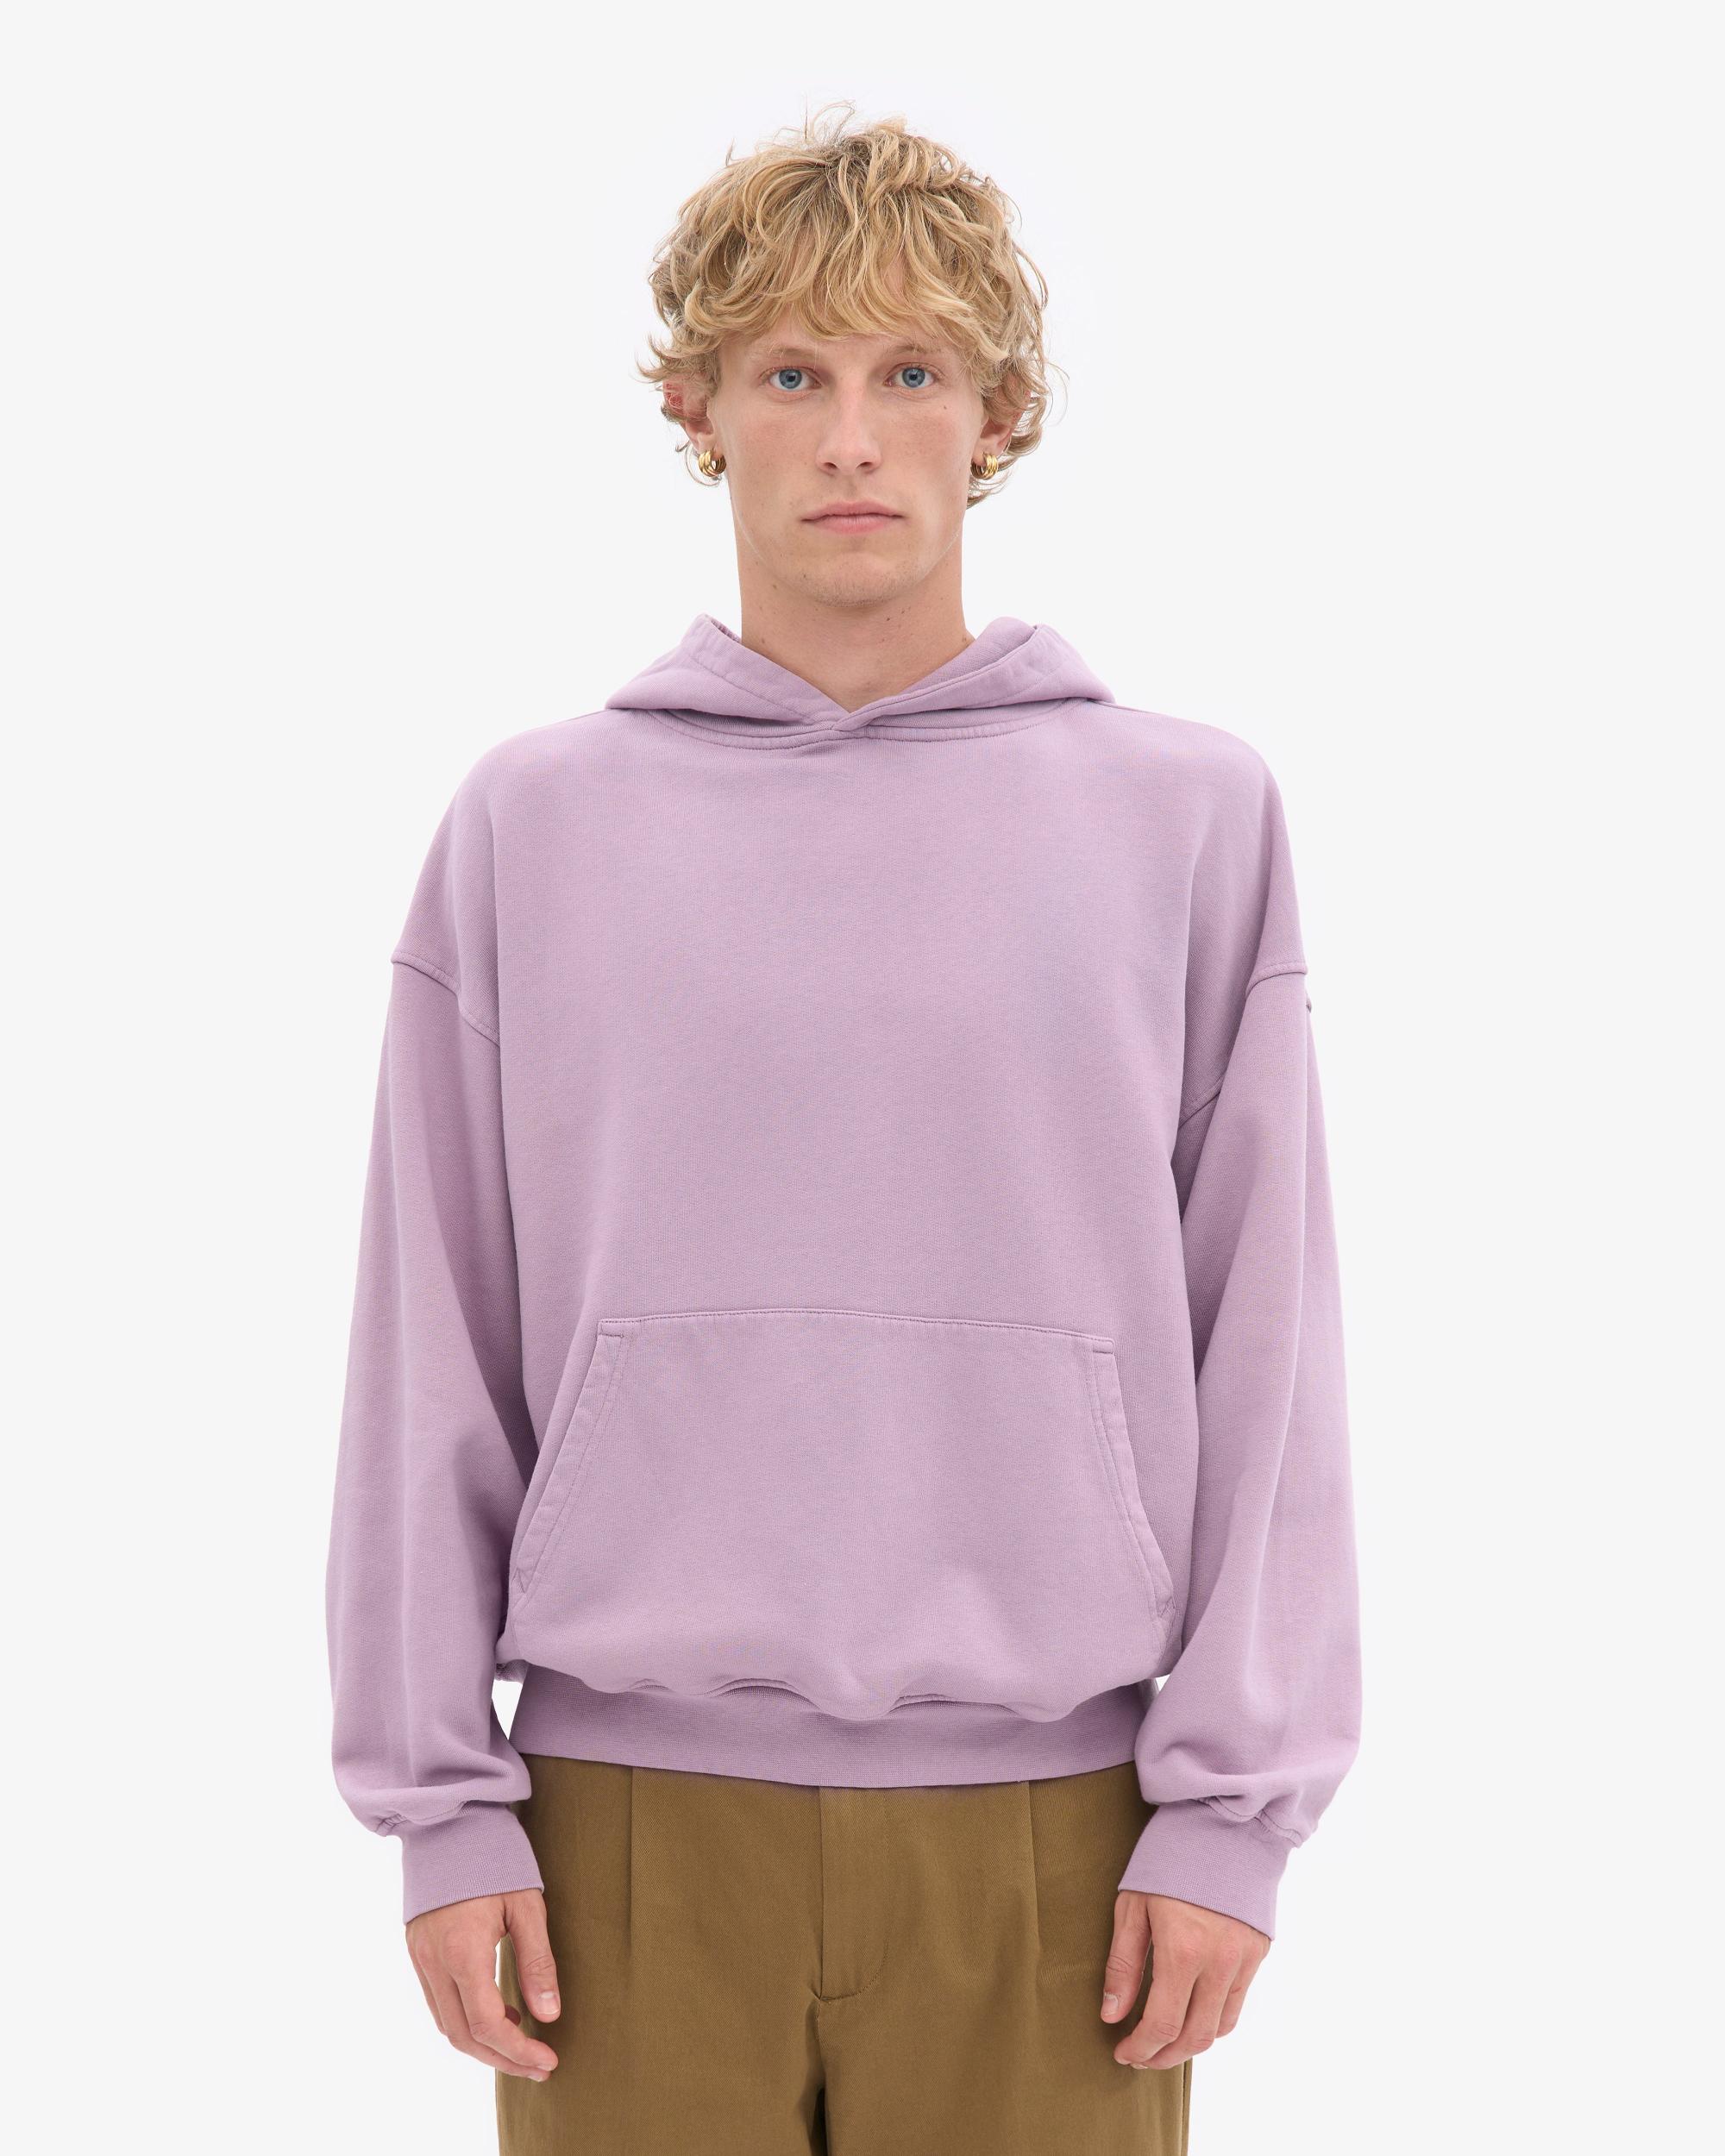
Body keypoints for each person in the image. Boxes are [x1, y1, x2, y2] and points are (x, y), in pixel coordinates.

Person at [325, 105, 1361, 2155]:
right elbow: (430, 1332)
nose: (853, 438)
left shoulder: (1186, 819)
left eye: (912, 373)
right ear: (698, 410)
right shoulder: (536, 823)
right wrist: (441, 1802)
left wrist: (1230, 1811)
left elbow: (1269, 1338)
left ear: (1000, 416)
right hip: (617, 1840)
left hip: (1060, 1844)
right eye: (792, 374)